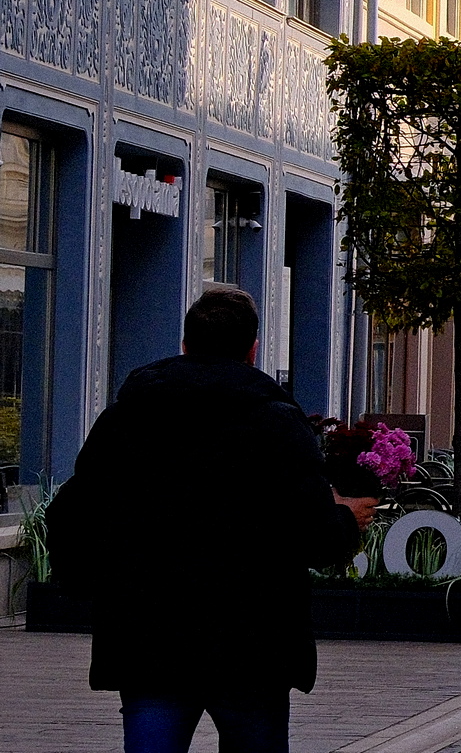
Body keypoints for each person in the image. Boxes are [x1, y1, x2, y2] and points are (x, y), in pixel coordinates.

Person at [46, 285, 375, 753]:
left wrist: (98, 588)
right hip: (253, 643)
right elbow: (315, 536)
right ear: (252, 349)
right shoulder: (277, 424)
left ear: (184, 345)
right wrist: (345, 520)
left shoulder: (127, 418)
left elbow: (70, 517)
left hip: (149, 637)